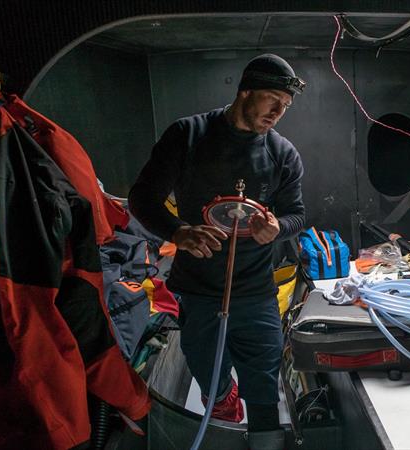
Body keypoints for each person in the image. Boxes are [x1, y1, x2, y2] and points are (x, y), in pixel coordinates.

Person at [129, 54, 305, 449]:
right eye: (272, 99)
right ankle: (221, 399)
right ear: (245, 91)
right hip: (198, 288)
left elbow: (296, 214)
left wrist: (277, 229)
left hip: (256, 290)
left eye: (286, 106)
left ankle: (263, 436)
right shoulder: (188, 135)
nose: (278, 112)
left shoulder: (282, 154)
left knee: (263, 383)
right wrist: (179, 231)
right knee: (209, 372)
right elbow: (143, 198)